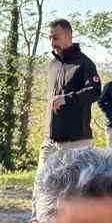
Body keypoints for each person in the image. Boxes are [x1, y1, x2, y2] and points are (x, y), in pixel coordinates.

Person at [45, 19, 102, 158]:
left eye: (56, 37)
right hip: (50, 142)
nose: (52, 43)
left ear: (69, 36)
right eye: (50, 38)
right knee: (41, 180)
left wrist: (67, 98)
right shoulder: (53, 64)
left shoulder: (84, 64)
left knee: (77, 181)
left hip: (76, 143)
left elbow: (95, 91)